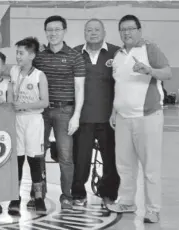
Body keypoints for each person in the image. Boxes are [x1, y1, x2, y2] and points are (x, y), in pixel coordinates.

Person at [106, 15, 172, 224]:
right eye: (123, 29)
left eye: (131, 29)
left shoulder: (149, 48)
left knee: (150, 167)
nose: (127, 33)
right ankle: (127, 201)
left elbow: (168, 73)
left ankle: (153, 209)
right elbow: (120, 86)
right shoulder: (117, 55)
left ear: (139, 30)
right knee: (124, 166)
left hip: (148, 116)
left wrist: (149, 70)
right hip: (123, 119)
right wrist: (115, 111)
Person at [33, 15, 86, 210]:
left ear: (64, 31)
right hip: (41, 112)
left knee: (65, 156)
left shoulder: (74, 56)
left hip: (66, 111)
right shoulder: (38, 56)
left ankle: (67, 196)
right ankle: (39, 195)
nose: (53, 33)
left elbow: (80, 88)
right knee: (37, 153)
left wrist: (76, 116)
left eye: (57, 29)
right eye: (49, 30)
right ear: (45, 32)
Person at [71, 19, 121, 207]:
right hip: (83, 118)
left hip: (109, 117)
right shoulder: (75, 53)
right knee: (80, 159)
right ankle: (78, 193)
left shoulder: (116, 52)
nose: (93, 33)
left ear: (104, 32)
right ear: (84, 32)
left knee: (110, 159)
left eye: (97, 29)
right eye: (89, 30)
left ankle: (108, 194)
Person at [4, 37, 50, 215]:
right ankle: (15, 197)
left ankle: (38, 198)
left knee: (34, 160)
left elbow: (45, 102)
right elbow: (9, 92)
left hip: (33, 120)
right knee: (17, 159)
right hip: (17, 120)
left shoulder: (39, 75)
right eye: (17, 52)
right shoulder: (13, 71)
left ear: (32, 55)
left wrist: (24, 106)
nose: (18, 56)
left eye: (21, 53)